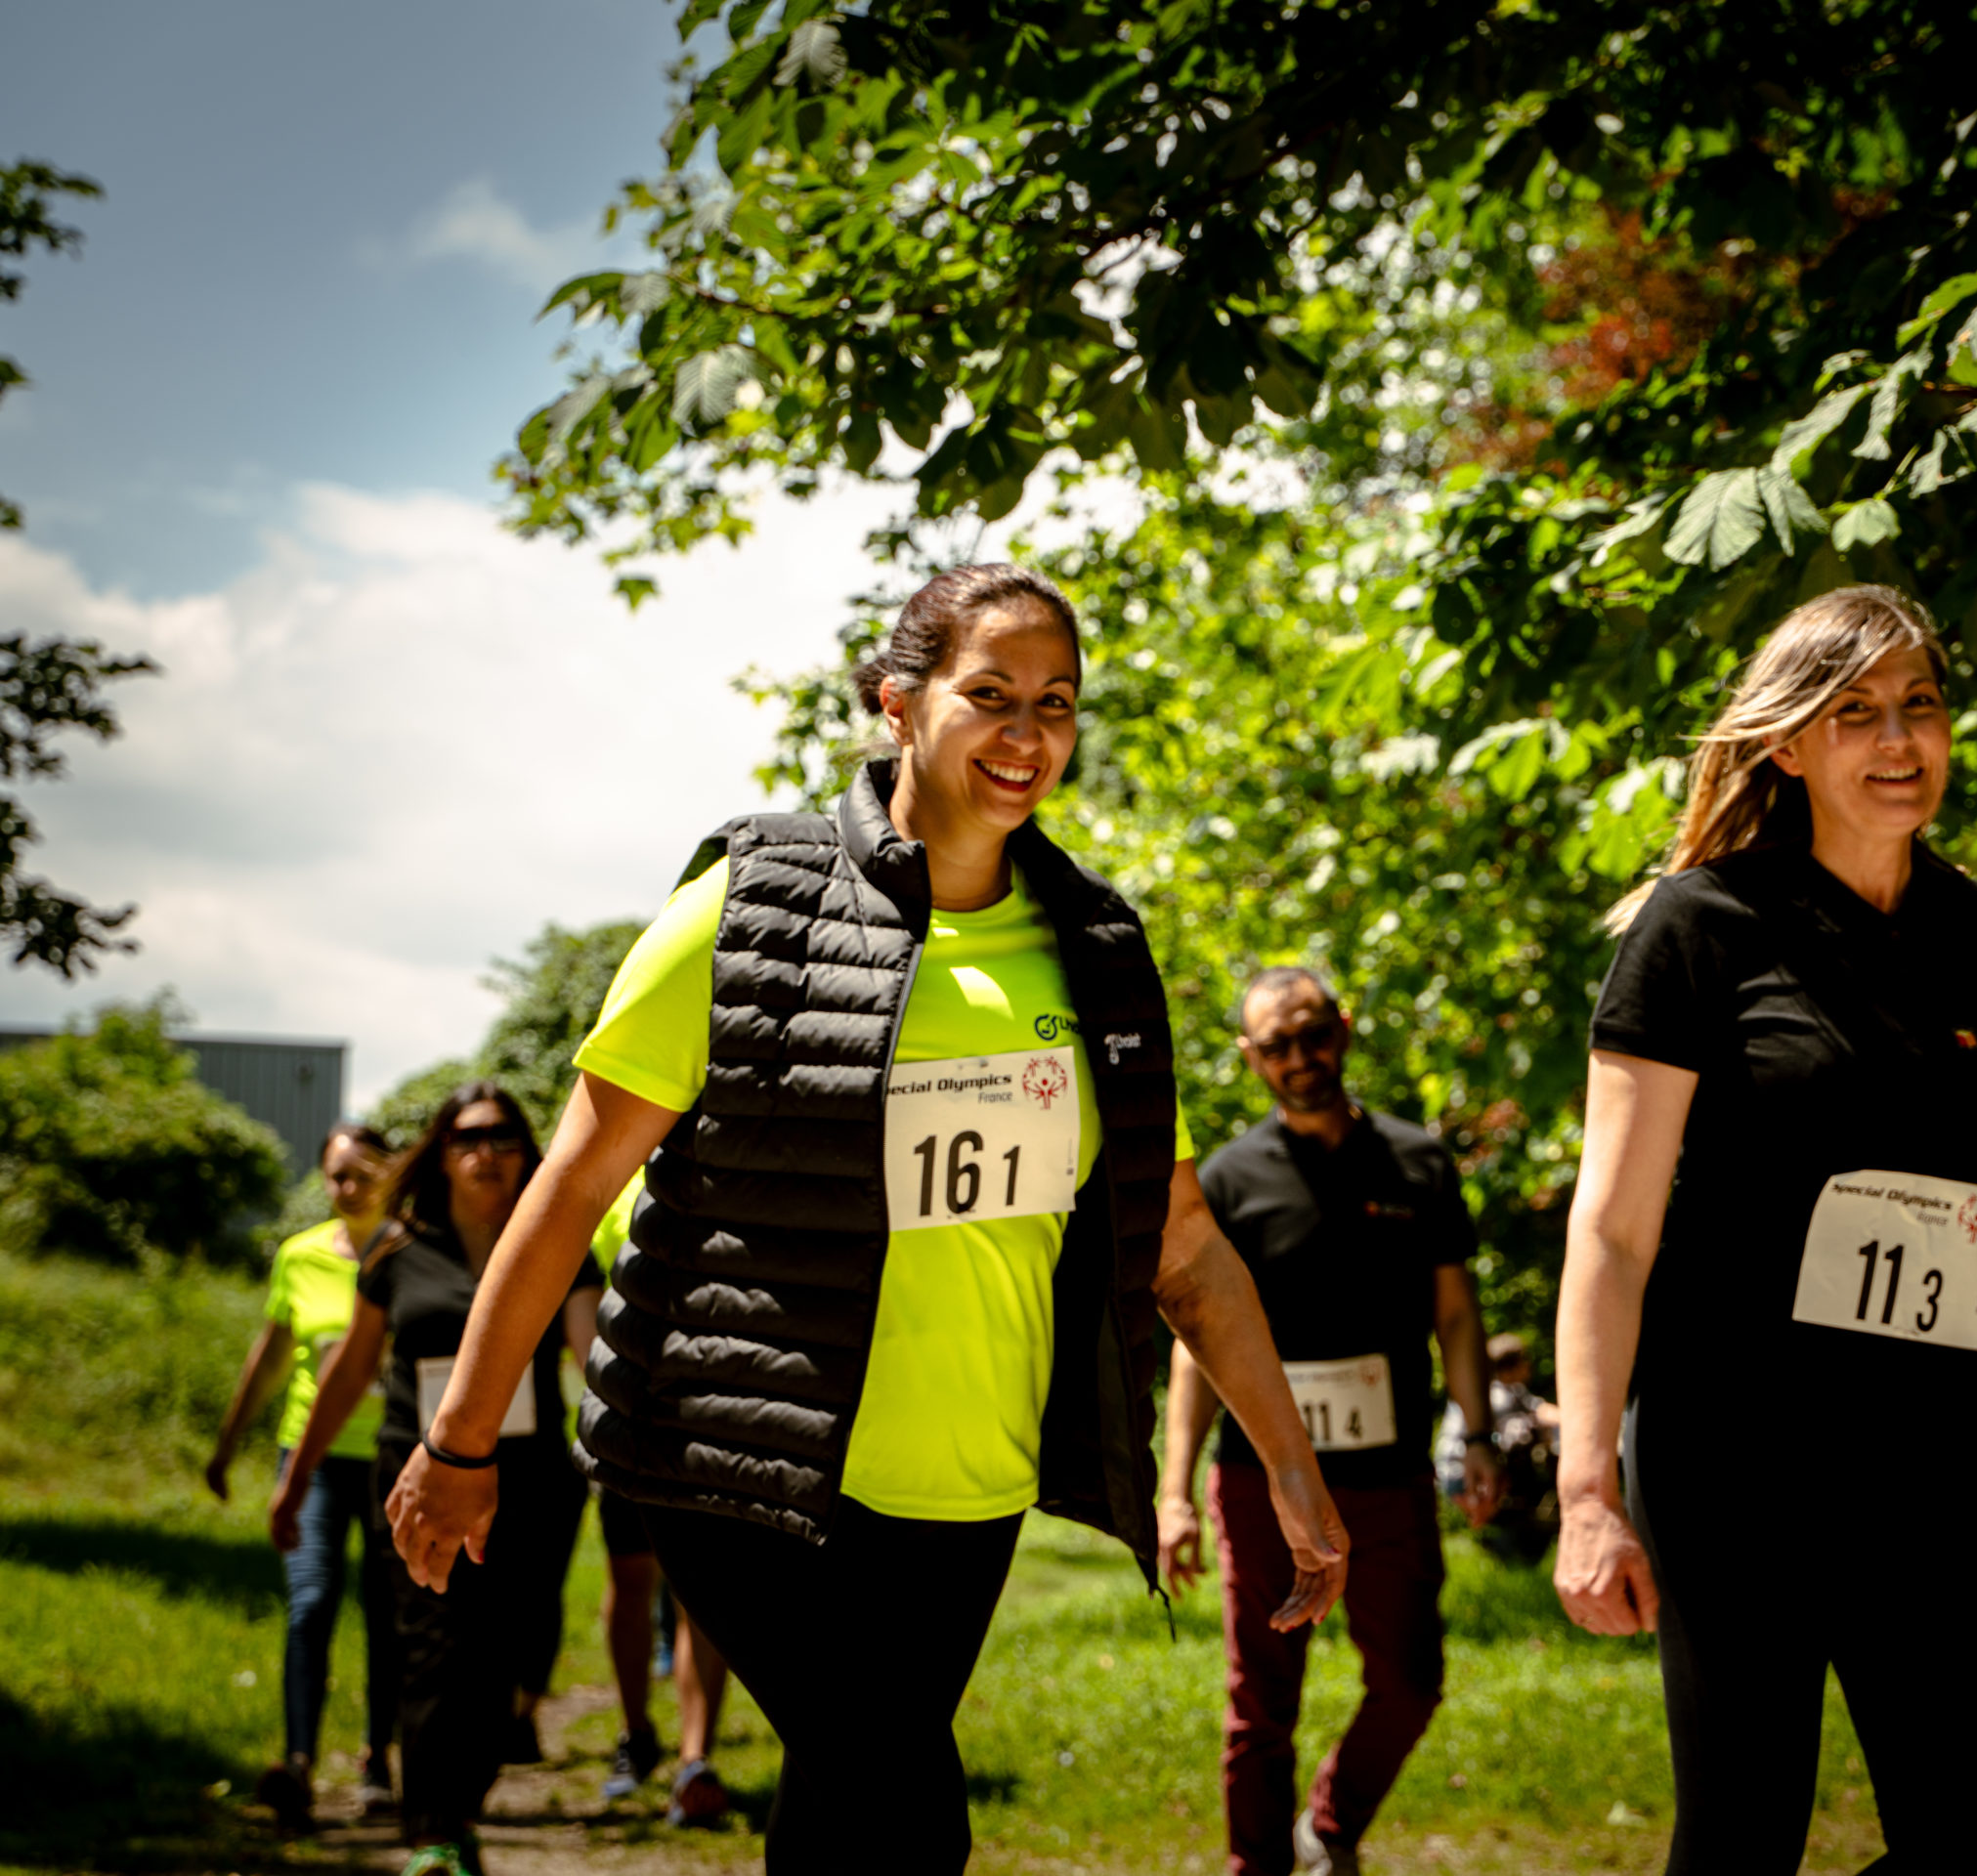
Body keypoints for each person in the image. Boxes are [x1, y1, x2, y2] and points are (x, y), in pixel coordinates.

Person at [378, 563, 1352, 1875]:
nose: (1028, 734)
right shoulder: (746, 909)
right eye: (989, 694)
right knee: (909, 1817)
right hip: (739, 1457)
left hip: (969, 1485)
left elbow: (1179, 1246)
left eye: (1056, 703)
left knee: (843, 1821)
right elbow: (569, 1196)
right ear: (897, 704)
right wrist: (461, 1442)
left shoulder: (1098, 951)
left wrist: (1289, 1466)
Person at [1551, 584, 1977, 1872]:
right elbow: (1613, 1233)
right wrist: (1588, 1492)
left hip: (1926, 1453)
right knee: (1746, 1831)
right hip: (1733, 1451)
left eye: (1920, 704)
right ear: (1788, 744)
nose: (1898, 740)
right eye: (1855, 712)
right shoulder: (1700, 929)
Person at [1158, 965, 1502, 1876]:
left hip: (1389, 1474)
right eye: (1276, 1046)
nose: (1301, 1058)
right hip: (1258, 1477)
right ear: (1249, 1058)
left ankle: (1334, 1827)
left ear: (1344, 1028)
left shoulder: (1417, 1163)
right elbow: (1194, 1345)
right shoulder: (1225, 1182)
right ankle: (1256, 1865)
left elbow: (1457, 1315)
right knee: (1260, 1696)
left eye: (1314, 1035)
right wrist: (1175, 1492)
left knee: (1410, 1681)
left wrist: (1477, 1433)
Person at [272, 1085, 602, 1876]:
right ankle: (432, 1833)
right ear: (442, 1154)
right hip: (416, 1476)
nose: (485, 1153)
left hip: (529, 1482)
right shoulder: (396, 1247)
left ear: (529, 1151)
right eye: (467, 1138)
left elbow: (592, 1356)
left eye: (503, 1137)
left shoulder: (559, 1242)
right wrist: (297, 1477)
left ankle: (461, 1807)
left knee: (502, 1657)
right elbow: (350, 1371)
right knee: (430, 1646)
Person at [207, 1121, 402, 1827]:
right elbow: (270, 1354)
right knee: (311, 1603)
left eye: (361, 1173)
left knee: (387, 1614)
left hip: (391, 1459)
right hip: (311, 1459)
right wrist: (228, 1446)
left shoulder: (413, 1253)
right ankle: (297, 1765)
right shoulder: (301, 1257)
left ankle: (380, 1759)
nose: (347, 1187)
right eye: (336, 1175)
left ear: (390, 1173)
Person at [584, 1169, 735, 1828]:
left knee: (703, 1594)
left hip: (716, 1422)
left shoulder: (729, 1173)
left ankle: (694, 1759)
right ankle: (636, 1731)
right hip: (632, 1420)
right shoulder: (611, 1188)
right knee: (631, 1580)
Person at [1435, 1333, 1561, 1564]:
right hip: (1462, 1478)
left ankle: (1519, 1535)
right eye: (1525, 1360)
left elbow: (1542, 1410)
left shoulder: (1507, 1389)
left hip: (1464, 1475)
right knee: (1525, 1447)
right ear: (1513, 1365)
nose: (1529, 1367)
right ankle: (1510, 1536)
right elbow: (1524, 1429)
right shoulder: (1494, 1395)